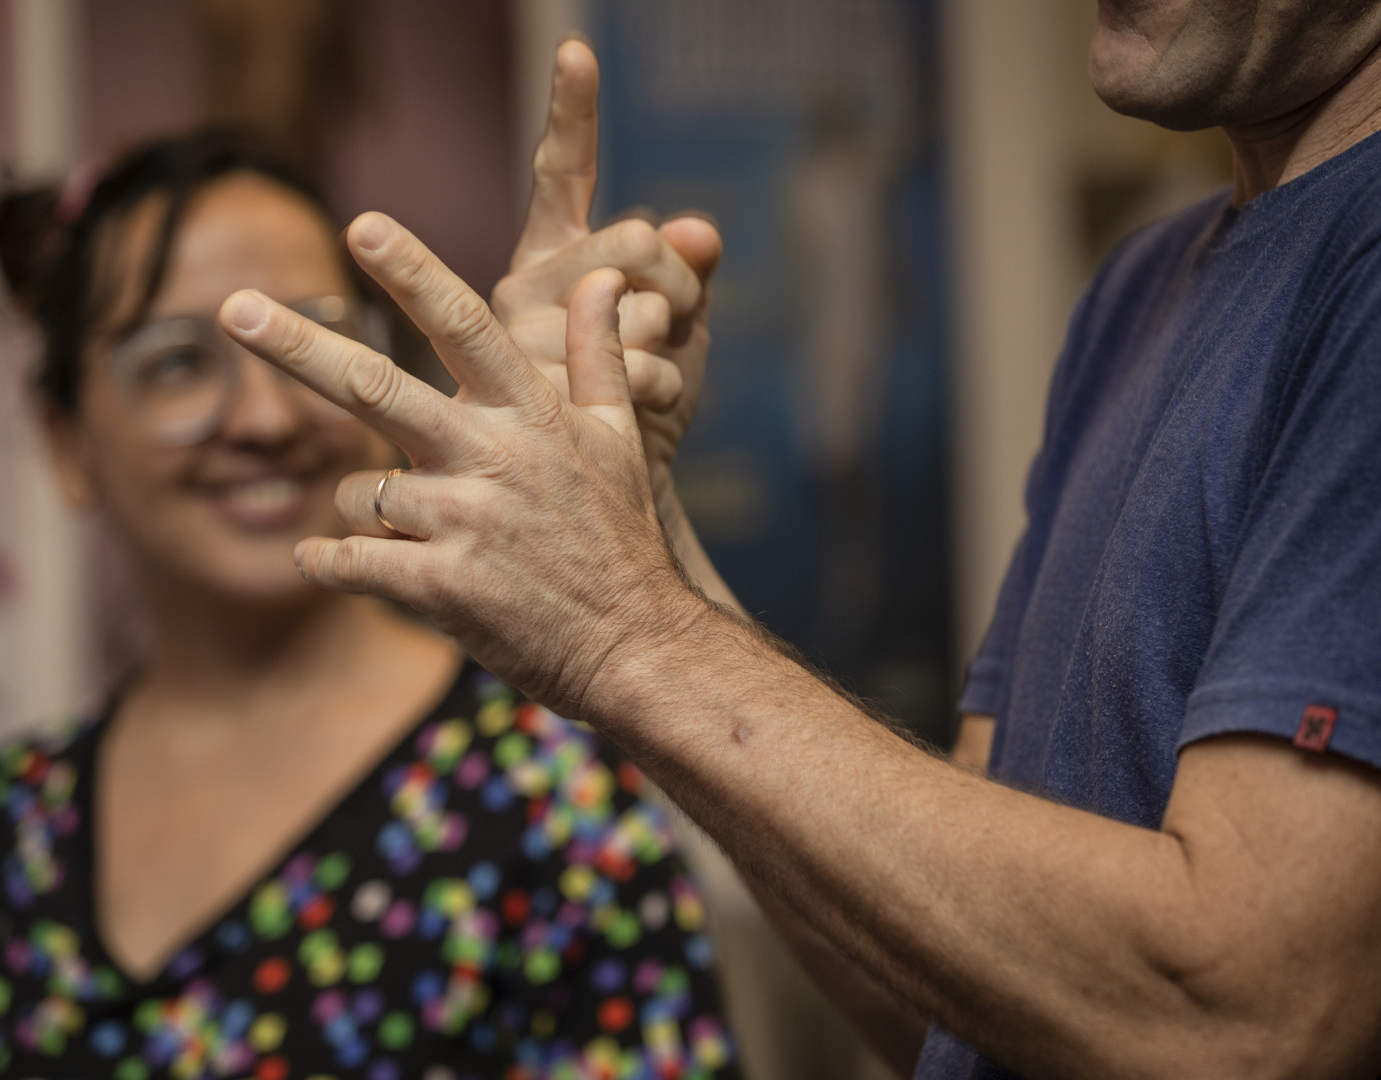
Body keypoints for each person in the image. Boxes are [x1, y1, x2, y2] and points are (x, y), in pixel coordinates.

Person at [216, 14, 1381, 1079]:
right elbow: (957, 989)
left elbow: (1245, 1016)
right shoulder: (1140, 287)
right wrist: (642, 527)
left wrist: (622, 624)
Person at [0, 130, 743, 1080]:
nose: (266, 420)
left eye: (307, 344)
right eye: (178, 363)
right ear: (66, 441)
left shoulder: (553, 800)